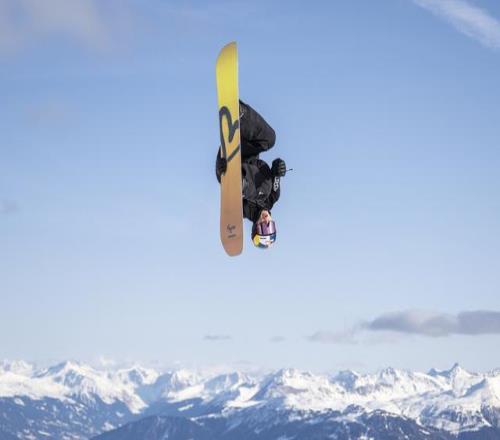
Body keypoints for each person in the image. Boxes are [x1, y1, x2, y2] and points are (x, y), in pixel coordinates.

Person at [216, 100, 286, 249]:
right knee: (270, 139)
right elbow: (276, 169)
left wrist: (222, 172)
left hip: (227, 166)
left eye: (263, 228)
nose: (266, 222)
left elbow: (229, 205)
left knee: (260, 191)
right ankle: (240, 114)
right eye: (270, 227)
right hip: (246, 151)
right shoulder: (273, 196)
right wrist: (279, 168)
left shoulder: (243, 211)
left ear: (255, 227)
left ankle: (237, 181)